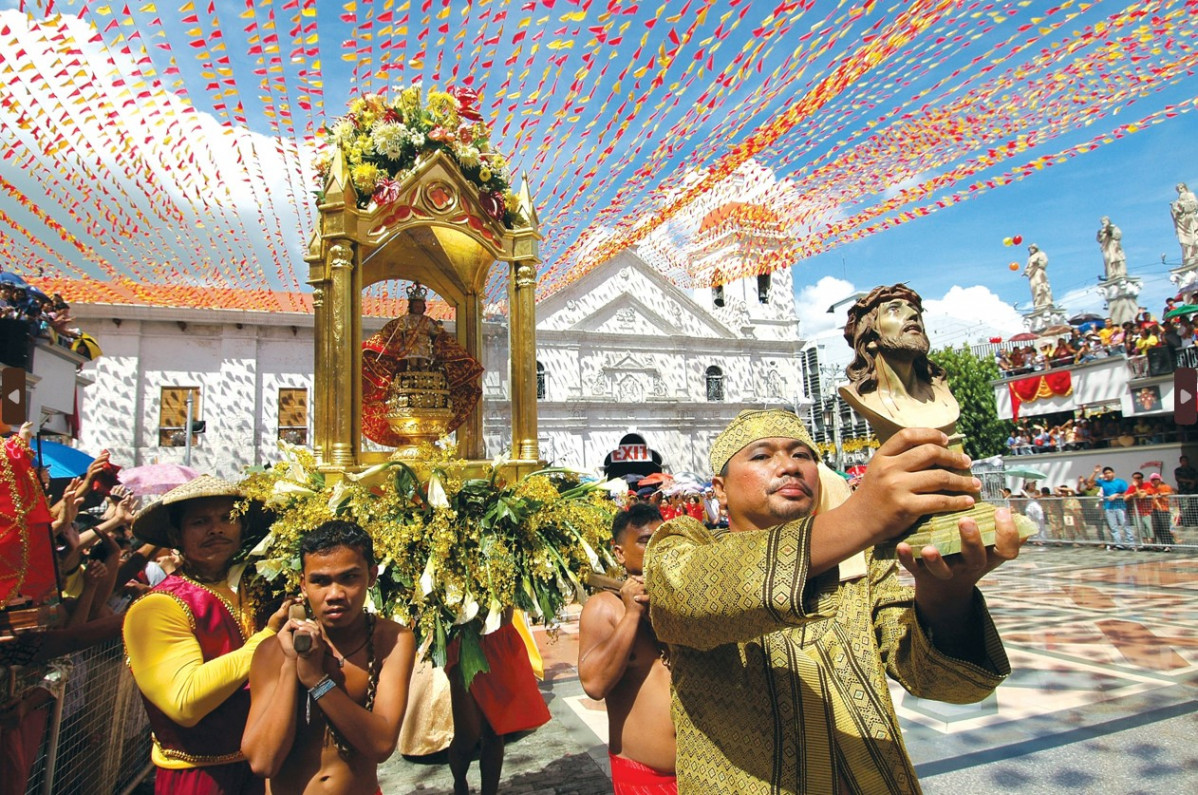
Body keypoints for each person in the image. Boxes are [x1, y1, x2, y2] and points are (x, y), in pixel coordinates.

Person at [645, 409, 1022, 793]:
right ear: (720, 489)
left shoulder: (862, 562)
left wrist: (947, 595)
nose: (788, 466)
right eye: (762, 456)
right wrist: (862, 515)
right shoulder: (683, 548)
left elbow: (952, 688)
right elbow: (687, 592)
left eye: (802, 455)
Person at [124, 475, 292, 795]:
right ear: (176, 535)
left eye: (227, 518)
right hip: (200, 775)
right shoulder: (159, 606)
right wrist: (267, 637)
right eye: (200, 522)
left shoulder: (259, 586)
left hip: (267, 765)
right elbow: (185, 703)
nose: (216, 529)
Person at [242, 520, 416, 794]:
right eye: (320, 581)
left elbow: (381, 745)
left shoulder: (391, 640)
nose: (335, 594)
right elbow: (263, 762)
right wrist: (292, 665)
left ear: (371, 576)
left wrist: (315, 679)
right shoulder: (271, 651)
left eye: (349, 578)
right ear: (303, 585)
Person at [578, 503, 676, 793]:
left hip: (700, 772)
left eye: (663, 541)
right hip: (644, 778)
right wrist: (631, 614)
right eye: (646, 541)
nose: (658, 549)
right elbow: (594, 685)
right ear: (620, 552)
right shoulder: (604, 608)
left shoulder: (680, 603)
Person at [360, 282, 484, 447]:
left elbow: (436, 333)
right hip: (410, 348)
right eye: (416, 306)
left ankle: (422, 374)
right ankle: (414, 373)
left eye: (421, 306)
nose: (418, 309)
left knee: (423, 364)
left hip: (424, 346)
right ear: (412, 307)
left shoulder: (427, 322)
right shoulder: (406, 320)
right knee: (412, 363)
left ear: (423, 307)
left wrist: (438, 330)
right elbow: (396, 331)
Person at [838, 284, 959, 443]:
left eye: (914, 309)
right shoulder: (861, 396)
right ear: (870, 339)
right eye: (894, 309)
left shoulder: (941, 393)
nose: (912, 314)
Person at [1086, 466, 1136, 549]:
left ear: (1113, 473)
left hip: (1120, 506)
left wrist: (1116, 495)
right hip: (1109, 507)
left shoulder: (1120, 482)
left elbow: (1126, 492)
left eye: (1109, 473)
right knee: (1113, 527)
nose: (1108, 475)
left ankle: (1131, 544)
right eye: (1106, 473)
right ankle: (1119, 544)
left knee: (1125, 525)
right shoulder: (1103, 482)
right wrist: (1095, 472)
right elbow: (1090, 481)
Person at [1146, 473, 1177, 549]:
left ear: (1159, 480)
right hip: (1154, 510)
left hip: (1164, 510)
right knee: (1156, 528)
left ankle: (1168, 545)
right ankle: (1164, 543)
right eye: (1152, 480)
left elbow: (1171, 492)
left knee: (1165, 528)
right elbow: (1145, 493)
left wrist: (1160, 494)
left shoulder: (1165, 487)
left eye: (1156, 479)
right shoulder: (1151, 488)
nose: (1154, 481)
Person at [1171, 182, 1198, 265]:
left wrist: (1182, 205)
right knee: (1183, 240)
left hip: (1190, 219)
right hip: (1182, 222)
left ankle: (1194, 254)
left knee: (1194, 238)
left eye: (1181, 188)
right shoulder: (1178, 199)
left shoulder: (1190, 194)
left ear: (1185, 187)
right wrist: (1174, 208)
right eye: (1178, 189)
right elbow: (1175, 212)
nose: (1180, 190)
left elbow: (1194, 205)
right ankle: (1188, 256)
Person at [1097, 216, 1128, 281]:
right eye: (1102, 222)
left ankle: (1119, 273)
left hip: (1114, 247)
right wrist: (1100, 233)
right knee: (1108, 260)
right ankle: (1110, 274)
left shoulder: (1113, 227)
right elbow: (1099, 239)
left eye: (1104, 221)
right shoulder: (1102, 230)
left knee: (1117, 259)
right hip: (1107, 248)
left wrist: (1110, 232)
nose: (1103, 223)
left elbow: (1118, 235)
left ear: (1108, 221)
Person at [1024, 243, 1053, 308]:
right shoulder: (1030, 258)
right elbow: (1027, 267)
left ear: (1035, 248)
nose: (1031, 250)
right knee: (1034, 287)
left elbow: (1045, 262)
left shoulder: (1041, 254)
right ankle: (1038, 303)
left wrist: (1038, 263)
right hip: (1032, 275)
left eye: (1032, 248)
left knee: (1041, 285)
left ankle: (1046, 302)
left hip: (1039, 272)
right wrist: (1025, 272)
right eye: (1029, 249)